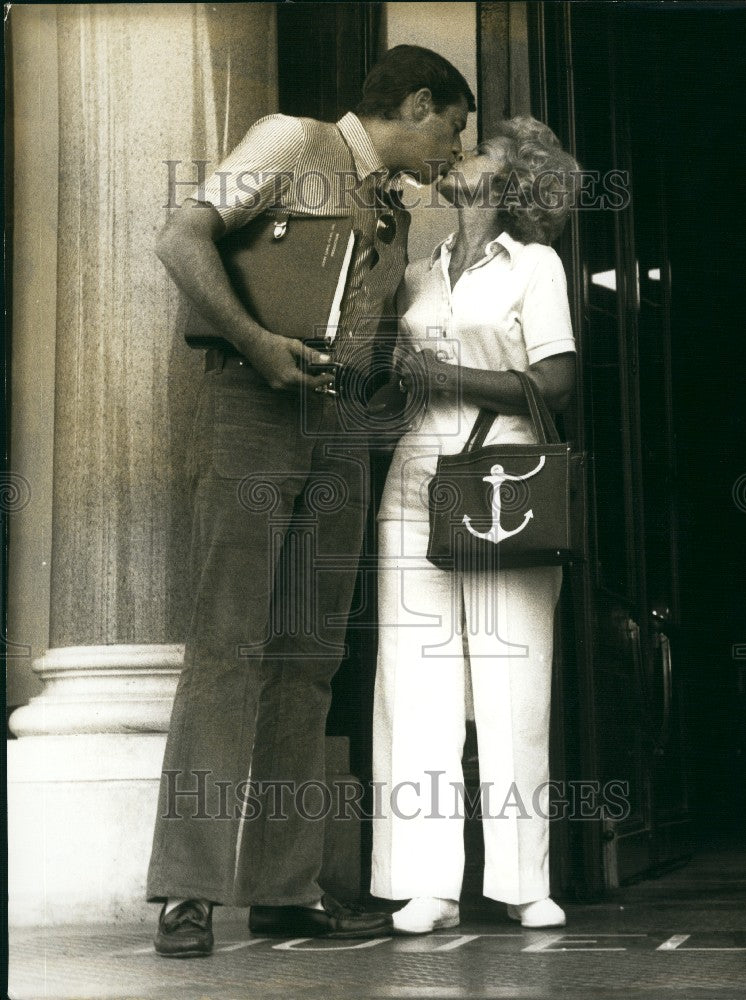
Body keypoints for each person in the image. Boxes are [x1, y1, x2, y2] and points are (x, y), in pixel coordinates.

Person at [147, 45, 475, 957]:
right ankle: (187, 888)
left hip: (337, 432)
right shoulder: (291, 142)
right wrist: (255, 343)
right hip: (253, 406)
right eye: (453, 126)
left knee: (308, 657)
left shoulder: (394, 208)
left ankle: (284, 888)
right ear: (417, 103)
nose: (453, 147)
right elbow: (181, 235)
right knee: (230, 642)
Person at [370, 116, 579, 934]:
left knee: (512, 683)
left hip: (508, 487)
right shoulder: (421, 270)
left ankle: (524, 882)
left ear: (514, 179)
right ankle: (426, 883)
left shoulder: (537, 266)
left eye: (483, 149)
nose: (464, 153)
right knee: (414, 691)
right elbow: (397, 379)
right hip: (415, 484)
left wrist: (446, 371)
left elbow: (555, 381)